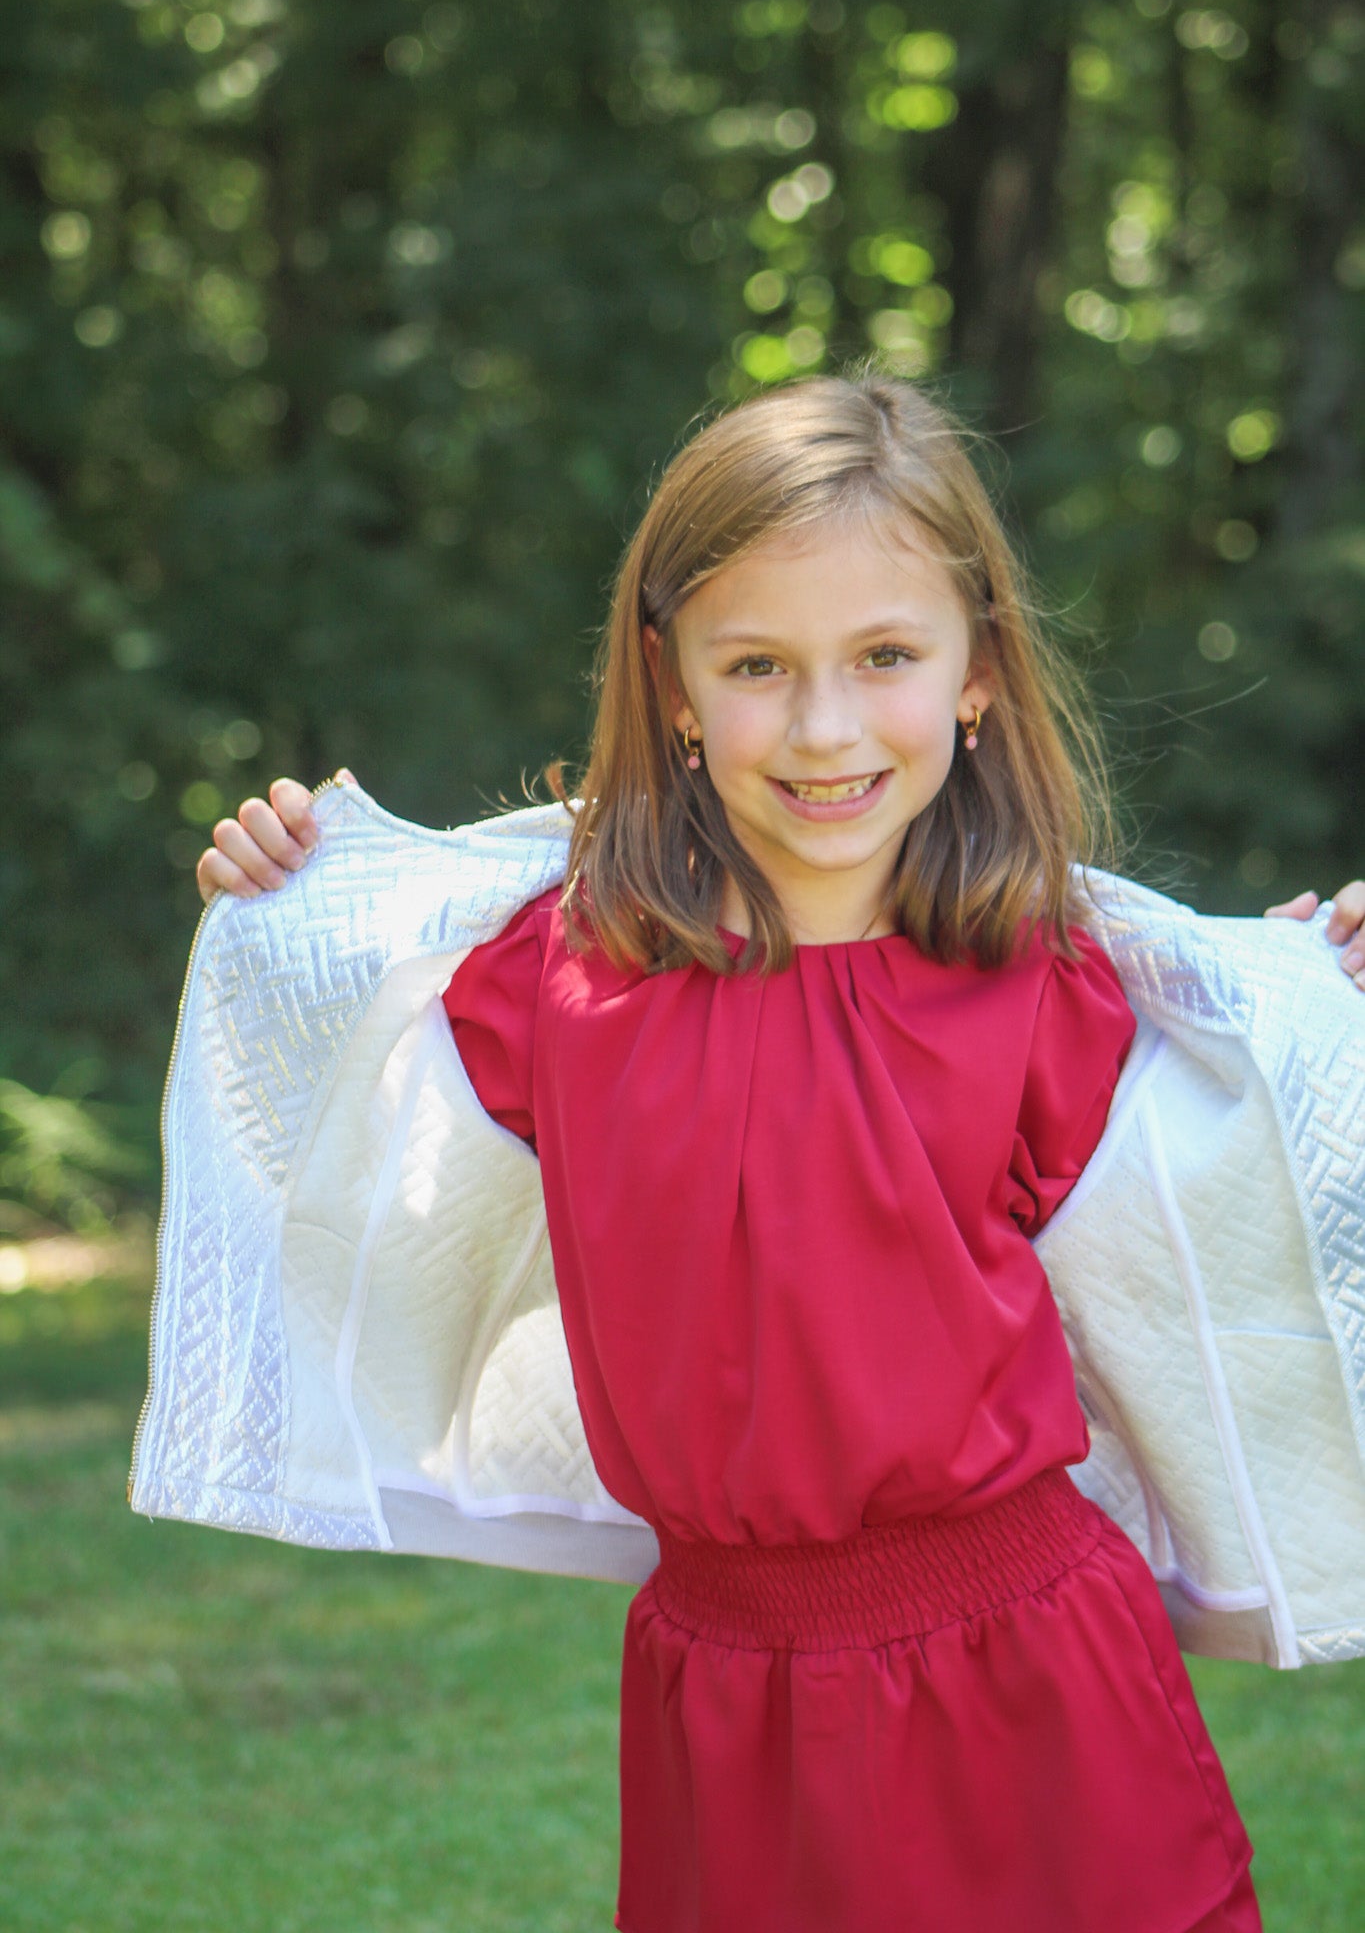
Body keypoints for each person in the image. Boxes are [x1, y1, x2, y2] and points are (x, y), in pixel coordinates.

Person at [193, 371, 1365, 1933]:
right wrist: (279, 890)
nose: (824, 727)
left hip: (1025, 1660)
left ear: (978, 675)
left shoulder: (1046, 976)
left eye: (884, 656)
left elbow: (1246, 1197)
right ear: (670, 683)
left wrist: (1318, 1008)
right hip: (721, 1679)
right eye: (757, 665)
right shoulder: (559, 977)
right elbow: (334, 1086)